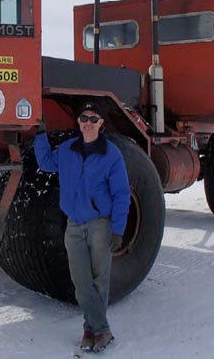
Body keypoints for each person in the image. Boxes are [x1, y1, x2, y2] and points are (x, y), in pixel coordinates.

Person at [34, 102, 130, 353]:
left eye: (93, 118)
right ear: (78, 122)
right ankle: (103, 330)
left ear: (101, 123)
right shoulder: (67, 149)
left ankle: (91, 329)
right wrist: (40, 134)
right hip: (74, 225)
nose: (88, 122)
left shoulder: (111, 154)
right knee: (81, 282)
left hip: (100, 225)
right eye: (83, 118)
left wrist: (118, 230)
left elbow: (121, 194)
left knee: (99, 281)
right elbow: (46, 163)